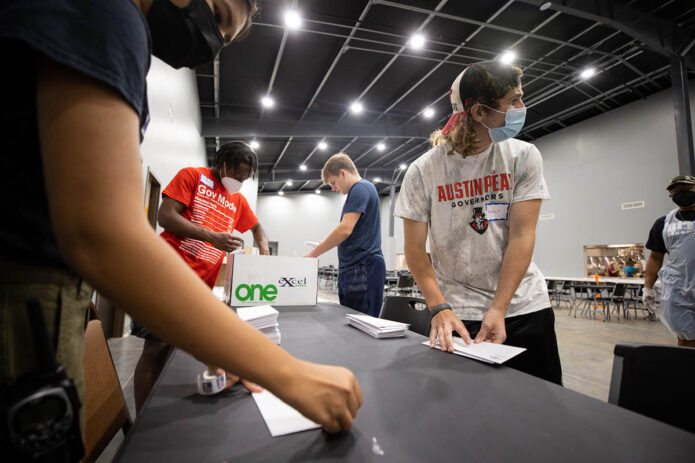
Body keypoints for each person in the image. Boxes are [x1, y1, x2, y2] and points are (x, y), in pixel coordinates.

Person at [0, 0, 362, 448]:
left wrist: (260, 255)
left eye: (223, 38)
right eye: (216, 12)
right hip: (27, 304)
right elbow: (105, 235)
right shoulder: (109, 15)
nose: (210, 40)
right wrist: (288, 374)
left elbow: (254, 228)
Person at [394, 60, 562, 384]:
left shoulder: (523, 156)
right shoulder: (423, 171)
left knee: (541, 412)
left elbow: (522, 235)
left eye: (520, 97)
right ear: (479, 113)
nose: (521, 107)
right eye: (512, 100)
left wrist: (499, 307)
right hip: (456, 314)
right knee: (466, 415)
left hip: (523, 306)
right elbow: (415, 250)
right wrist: (438, 306)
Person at [132, 141, 271, 412]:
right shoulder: (193, 176)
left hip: (197, 288)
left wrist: (263, 247)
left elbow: (258, 229)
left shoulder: (238, 200)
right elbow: (165, 216)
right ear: (221, 164)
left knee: (172, 352)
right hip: (167, 275)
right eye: (236, 174)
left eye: (245, 178)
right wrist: (211, 236)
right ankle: (141, 422)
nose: (239, 181)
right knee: (155, 350)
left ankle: (154, 415)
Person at [304, 154, 386, 317]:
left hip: (363, 267)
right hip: (355, 267)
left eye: (333, 182)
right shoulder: (361, 190)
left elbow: (345, 229)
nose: (333, 188)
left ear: (343, 173)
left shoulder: (360, 188)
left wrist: (314, 254)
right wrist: (329, 242)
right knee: (352, 322)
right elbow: (351, 232)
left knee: (363, 323)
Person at [644, 175, 695, 341]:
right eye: (676, 191)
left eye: (686, 190)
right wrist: (648, 287)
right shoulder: (664, 224)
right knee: (685, 338)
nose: (680, 194)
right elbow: (655, 258)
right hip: (679, 291)